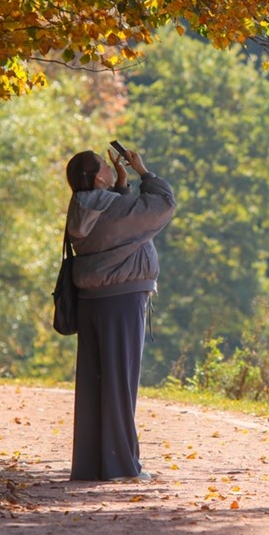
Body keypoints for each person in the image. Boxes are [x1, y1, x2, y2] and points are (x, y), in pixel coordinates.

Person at [64, 143, 176, 482]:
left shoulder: (82, 206)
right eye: (106, 166)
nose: (111, 168)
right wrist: (143, 172)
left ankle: (92, 465)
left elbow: (117, 214)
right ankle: (122, 466)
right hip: (123, 300)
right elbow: (163, 205)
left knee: (94, 384)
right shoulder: (111, 207)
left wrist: (122, 185)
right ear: (99, 176)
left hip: (91, 302)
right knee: (120, 383)